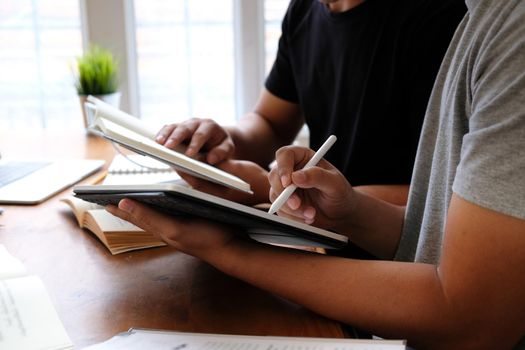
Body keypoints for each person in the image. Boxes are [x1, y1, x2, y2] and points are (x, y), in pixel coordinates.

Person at [107, 0, 525, 347]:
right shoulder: (482, 20)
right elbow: (436, 223)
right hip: (367, 270)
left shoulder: (473, 23)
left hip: (396, 295)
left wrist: (229, 248)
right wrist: (348, 211)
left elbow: (472, 315)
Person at [155, 0, 466, 206]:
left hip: (399, 262)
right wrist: (226, 139)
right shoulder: (304, 9)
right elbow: (271, 122)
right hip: (322, 237)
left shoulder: (437, 18)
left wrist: (271, 188)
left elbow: (445, 195)